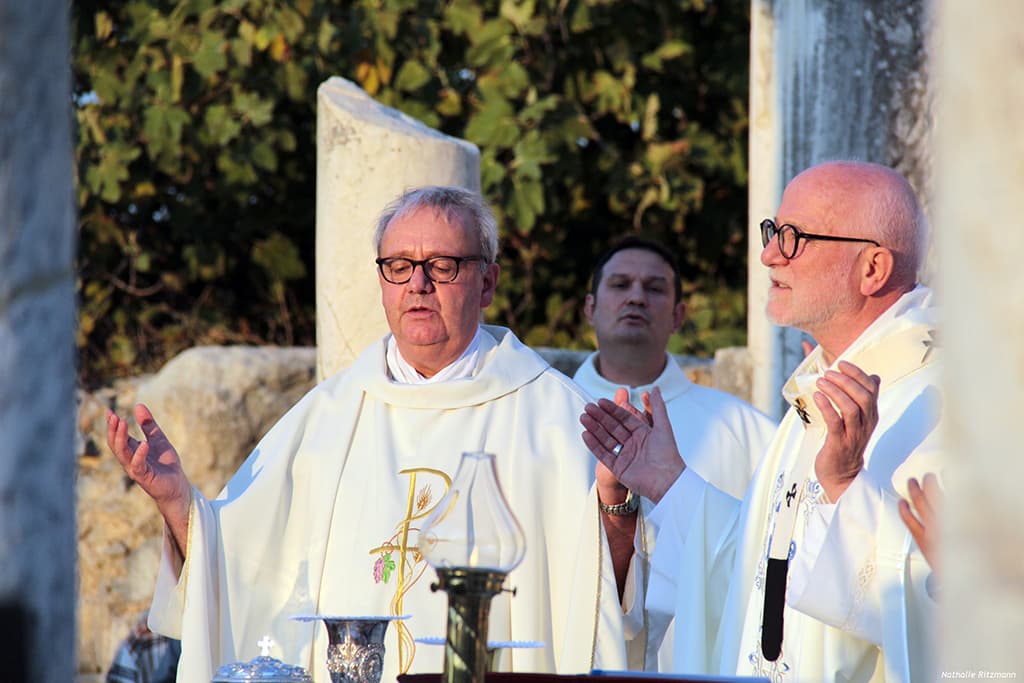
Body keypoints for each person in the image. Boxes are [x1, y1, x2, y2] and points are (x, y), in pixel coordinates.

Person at [107, 186, 628, 683]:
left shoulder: (558, 418)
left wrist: (616, 506)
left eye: (442, 266)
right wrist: (178, 505)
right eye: (399, 267)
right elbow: (238, 569)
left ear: (487, 282)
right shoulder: (328, 416)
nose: (417, 285)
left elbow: (610, 596)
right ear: (382, 282)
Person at [581, 161, 942, 682]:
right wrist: (669, 483)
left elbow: (957, 613)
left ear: (873, 269)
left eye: (795, 237)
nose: (770, 254)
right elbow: (762, 575)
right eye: (773, 232)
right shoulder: (813, 399)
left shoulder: (942, 406)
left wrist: (844, 489)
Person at [572, 236, 776, 669]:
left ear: (679, 315)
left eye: (655, 288)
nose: (636, 297)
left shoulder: (744, 430)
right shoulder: (547, 415)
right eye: (621, 284)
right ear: (590, 307)